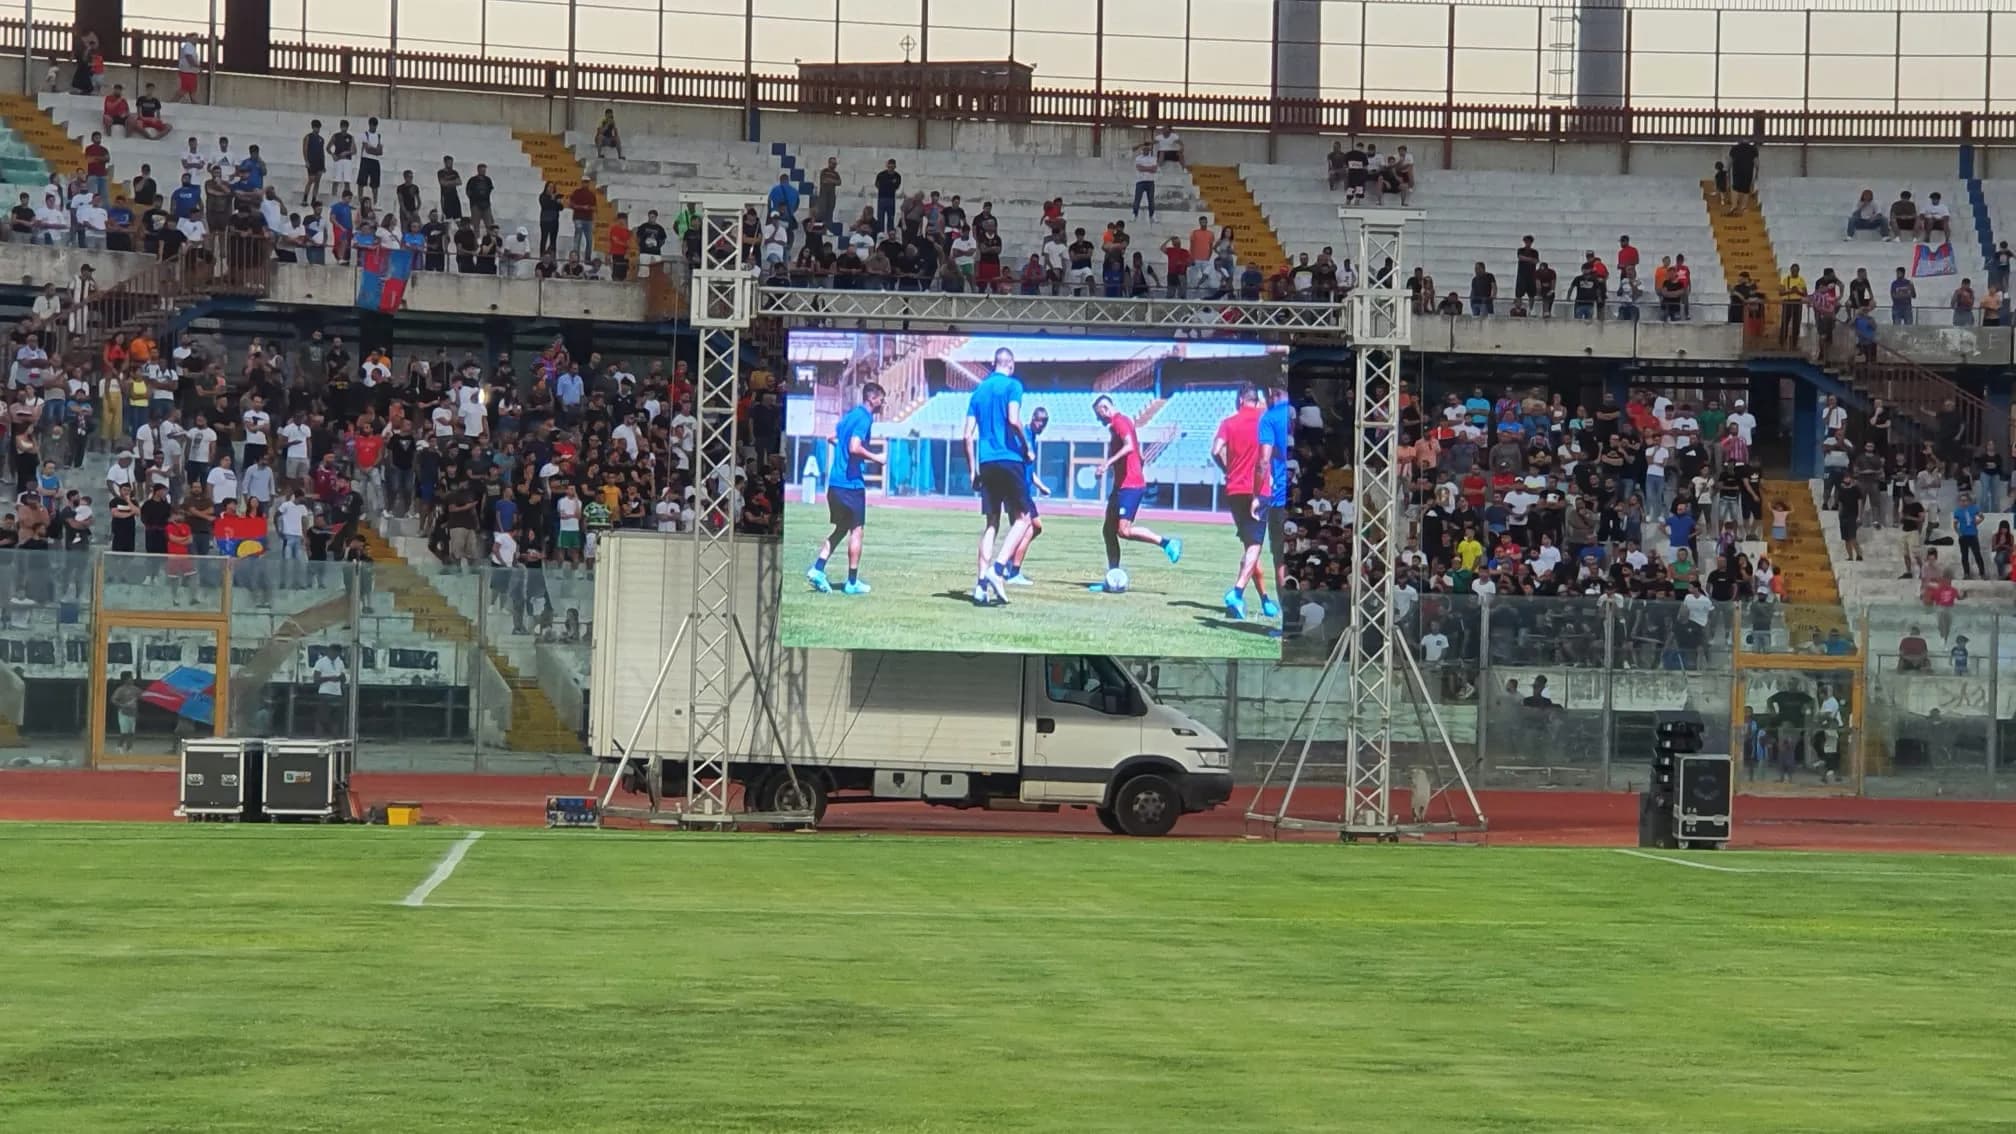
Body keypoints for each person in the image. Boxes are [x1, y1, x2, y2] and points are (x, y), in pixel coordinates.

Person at [963, 347, 1033, 606]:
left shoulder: (978, 392)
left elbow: (966, 435)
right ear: (1010, 364)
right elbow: (1013, 419)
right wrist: (1027, 445)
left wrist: (973, 470)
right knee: (1023, 518)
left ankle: (981, 586)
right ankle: (999, 568)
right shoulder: (1013, 386)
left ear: (994, 363)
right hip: (1009, 458)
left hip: (986, 462)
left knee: (991, 523)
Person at [1092, 395, 1179, 589]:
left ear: (1105, 409)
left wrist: (1107, 464)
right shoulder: (1121, 424)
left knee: (1123, 530)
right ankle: (1113, 577)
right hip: (1122, 486)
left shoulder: (1120, 422)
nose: (1098, 419)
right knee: (1108, 531)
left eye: (1099, 415)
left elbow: (1129, 446)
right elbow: (1139, 454)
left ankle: (1166, 543)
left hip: (1130, 486)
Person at [806, 383, 884, 596]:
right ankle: (852, 582)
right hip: (851, 485)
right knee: (857, 531)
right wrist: (877, 458)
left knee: (841, 528)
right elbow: (854, 446)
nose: (882, 403)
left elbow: (832, 438)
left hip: (835, 484)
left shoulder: (850, 416)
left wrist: (844, 452)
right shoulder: (865, 418)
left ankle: (818, 569)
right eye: (881, 399)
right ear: (872, 399)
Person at [1210, 384, 1275, 622]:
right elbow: (1267, 458)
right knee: (1254, 546)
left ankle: (1265, 600)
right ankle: (1236, 593)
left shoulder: (1228, 423)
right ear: (1256, 400)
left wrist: (1228, 470)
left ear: (1240, 400)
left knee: (1250, 547)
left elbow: (1215, 450)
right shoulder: (1265, 421)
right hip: (1258, 490)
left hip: (1235, 489)